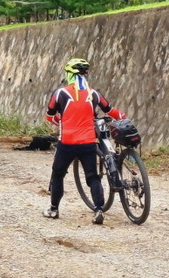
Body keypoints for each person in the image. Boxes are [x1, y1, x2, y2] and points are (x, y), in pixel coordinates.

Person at [43, 58, 124, 225]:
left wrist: (61, 123)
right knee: (93, 176)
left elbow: (50, 116)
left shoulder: (60, 93)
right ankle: (99, 210)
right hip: (88, 142)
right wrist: (123, 118)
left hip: (67, 142)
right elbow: (110, 110)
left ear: (69, 74)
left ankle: (53, 209)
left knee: (58, 174)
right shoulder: (94, 93)